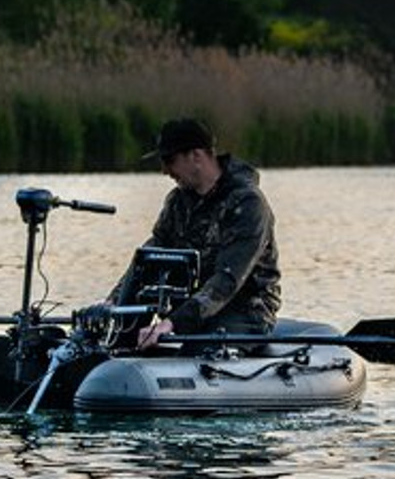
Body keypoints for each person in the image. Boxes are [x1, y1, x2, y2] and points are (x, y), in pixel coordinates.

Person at [112, 117, 281, 349]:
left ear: (196, 156)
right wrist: (113, 302)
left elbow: (227, 281)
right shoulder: (177, 202)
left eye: (169, 160)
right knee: (145, 262)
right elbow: (150, 256)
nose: (164, 171)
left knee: (198, 350)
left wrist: (172, 324)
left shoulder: (248, 204)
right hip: (189, 307)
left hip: (245, 311)